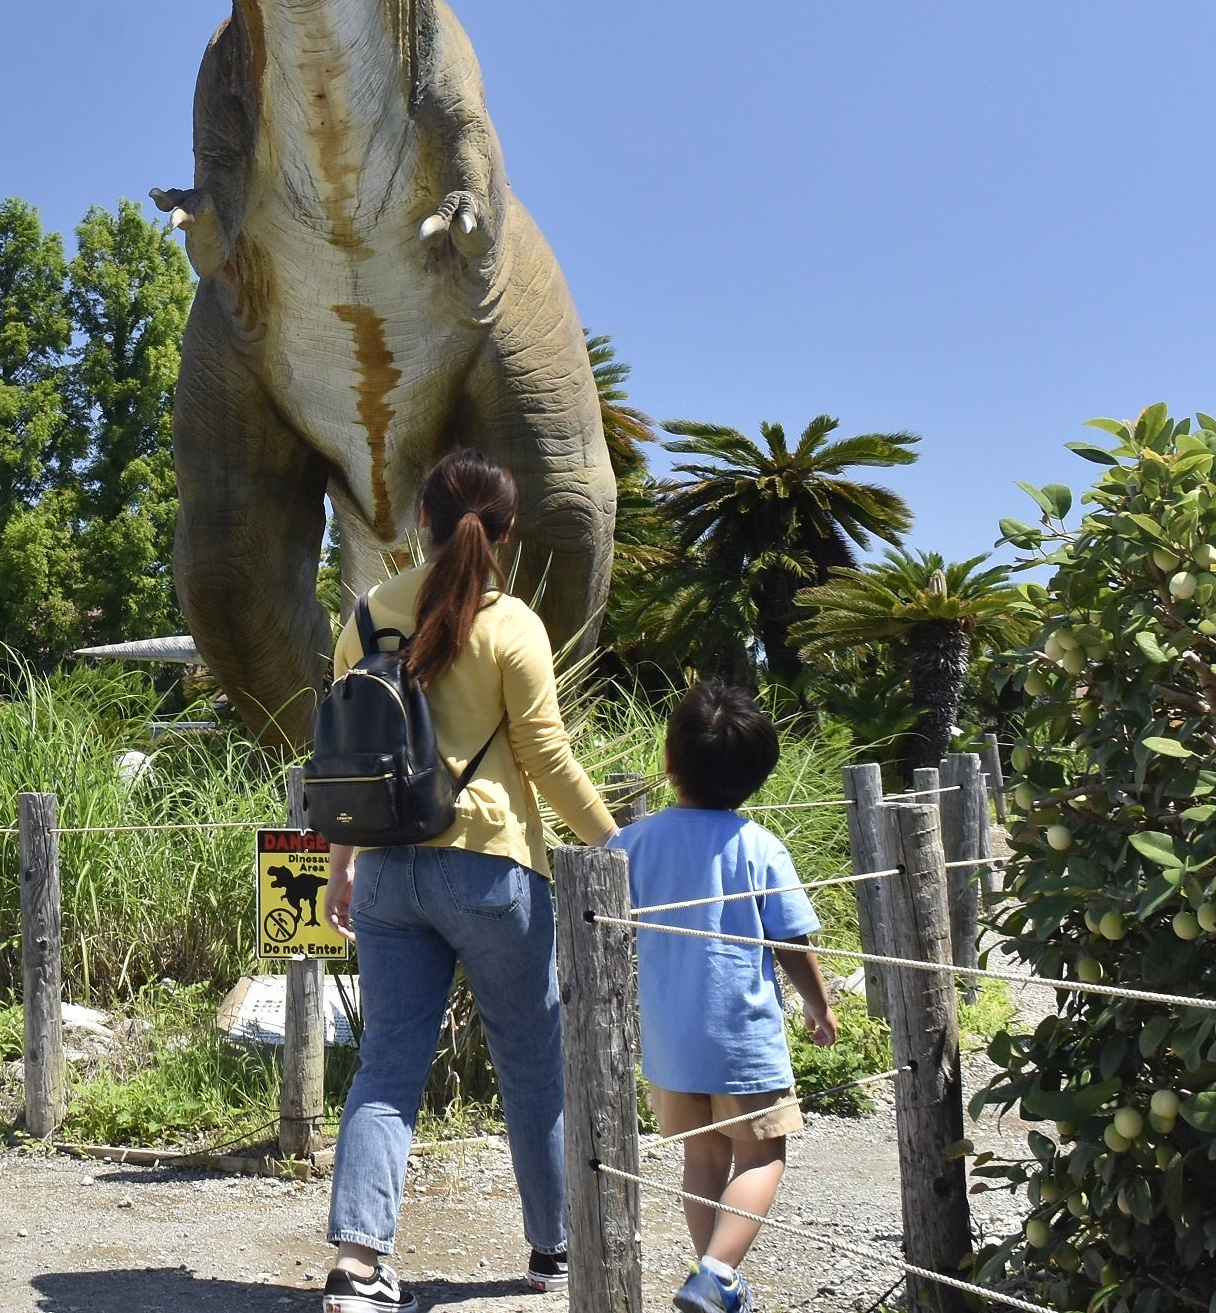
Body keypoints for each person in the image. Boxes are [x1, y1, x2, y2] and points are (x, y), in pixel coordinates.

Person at [321, 450, 619, 1313]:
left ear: (423, 519)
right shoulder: (512, 622)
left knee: (387, 1066)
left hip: (384, 873)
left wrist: (342, 869)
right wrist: (616, 847)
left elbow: (345, 753)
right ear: (507, 533)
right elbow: (546, 760)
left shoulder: (370, 614)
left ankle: (359, 1264)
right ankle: (552, 1249)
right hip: (491, 868)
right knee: (530, 1060)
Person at [608, 682, 839, 1313]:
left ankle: (712, 1278)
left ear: (668, 762)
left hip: (668, 1040)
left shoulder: (630, 844)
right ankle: (715, 1271)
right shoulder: (759, 846)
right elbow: (791, 940)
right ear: (758, 775)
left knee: (703, 1153)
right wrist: (820, 1005)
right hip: (742, 1037)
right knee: (763, 1152)